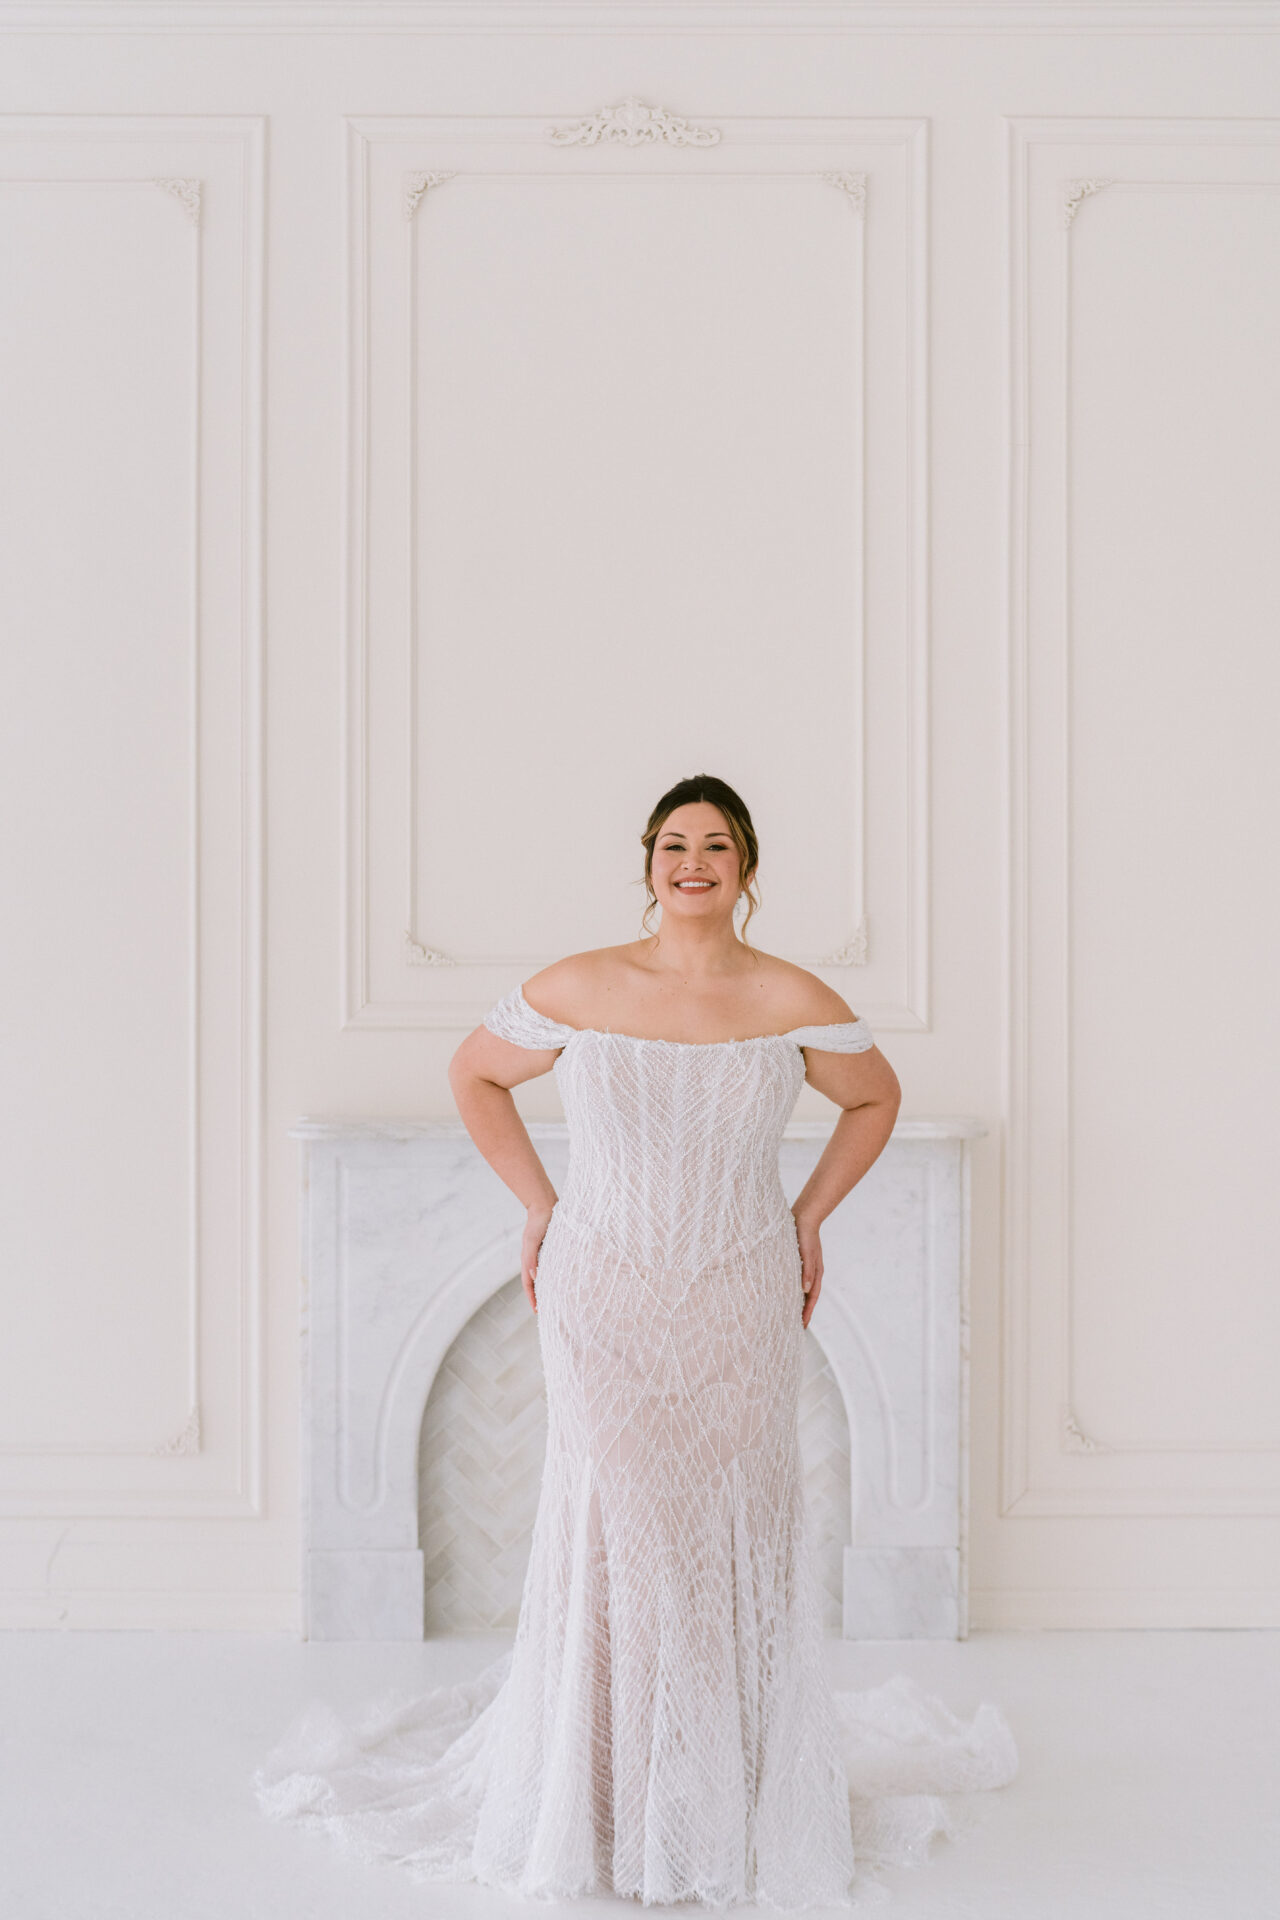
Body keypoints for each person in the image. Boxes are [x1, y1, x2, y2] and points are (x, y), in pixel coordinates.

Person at [254, 774, 1019, 1910]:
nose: (692, 861)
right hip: (601, 1288)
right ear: (648, 862)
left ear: (747, 869)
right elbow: (474, 1072)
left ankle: (724, 1797)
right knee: (620, 1523)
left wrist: (805, 1217)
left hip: (739, 1294)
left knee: (727, 1525)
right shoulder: (582, 982)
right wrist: (536, 1203)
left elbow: (875, 1100)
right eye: (674, 843)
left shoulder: (789, 994)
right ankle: (602, 1802)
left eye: (715, 845)